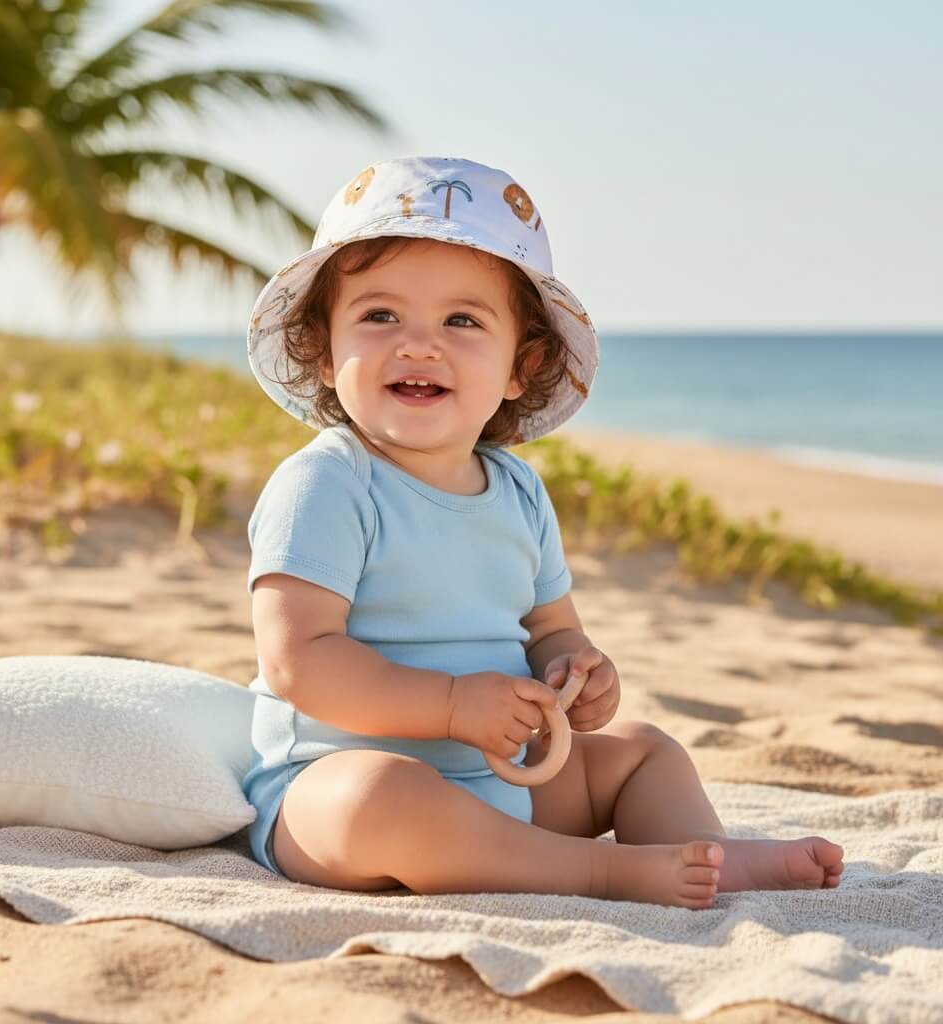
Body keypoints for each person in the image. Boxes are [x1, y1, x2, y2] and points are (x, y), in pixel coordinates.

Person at [240, 155, 845, 906]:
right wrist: (454, 707)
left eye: (462, 321)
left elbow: (550, 628)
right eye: (379, 315)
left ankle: (708, 852)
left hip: (503, 777)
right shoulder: (328, 482)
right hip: (334, 788)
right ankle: (599, 872)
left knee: (643, 753)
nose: (418, 344)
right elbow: (301, 661)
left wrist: (577, 674)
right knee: (381, 798)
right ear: (326, 353)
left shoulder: (518, 490)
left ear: (519, 368)